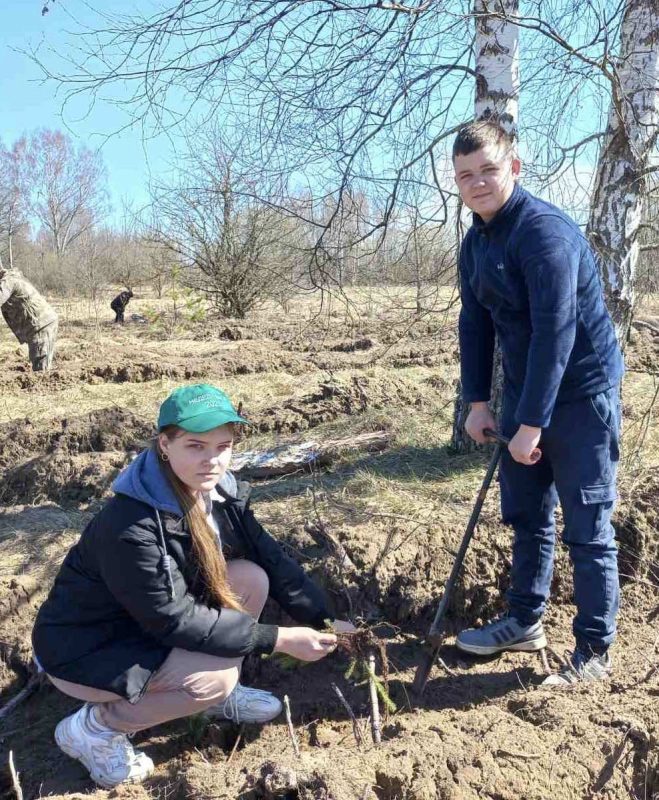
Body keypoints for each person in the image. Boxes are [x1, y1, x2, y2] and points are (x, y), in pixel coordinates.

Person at [32, 383, 355, 788]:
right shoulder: (132, 523)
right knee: (212, 679)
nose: (212, 460)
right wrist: (279, 638)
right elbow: (172, 619)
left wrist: (327, 620)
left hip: (146, 627)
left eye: (222, 446)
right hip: (87, 648)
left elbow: (272, 558)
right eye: (195, 446)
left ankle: (213, 698)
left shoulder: (220, 493)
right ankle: (95, 729)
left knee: (250, 578)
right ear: (164, 445)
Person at [452, 120, 624, 686]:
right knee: (526, 514)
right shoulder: (476, 241)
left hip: (579, 394)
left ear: (514, 168)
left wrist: (532, 423)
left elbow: (557, 333)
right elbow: (474, 324)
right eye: (465, 176)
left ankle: (593, 652)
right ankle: (525, 621)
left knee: (586, 523)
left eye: (489, 170)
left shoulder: (544, 233)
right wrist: (477, 401)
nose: (478, 184)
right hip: (527, 392)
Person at [0, 267, 58, 371]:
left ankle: (42, 384)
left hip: (40, 326)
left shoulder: (8, 282)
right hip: (40, 324)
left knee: (40, 366)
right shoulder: (11, 278)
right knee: (40, 362)